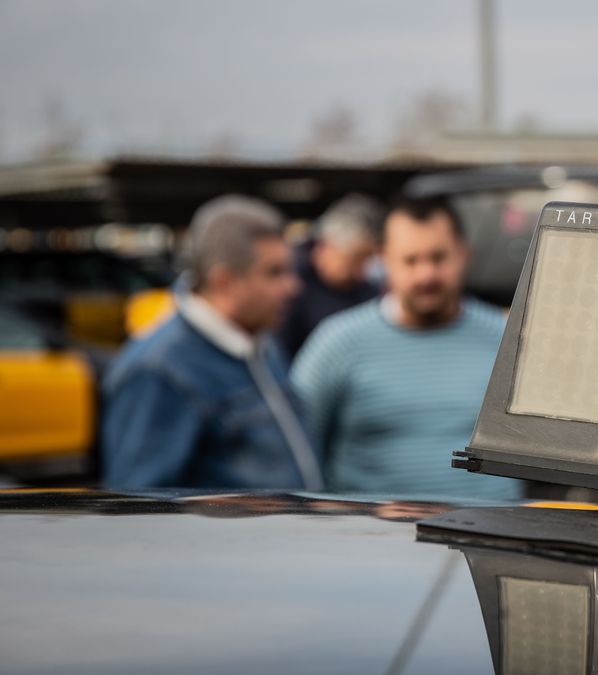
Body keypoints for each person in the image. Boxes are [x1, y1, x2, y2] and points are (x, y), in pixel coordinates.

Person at [292, 197, 520, 498]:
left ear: (464, 255)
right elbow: (295, 449)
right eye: (410, 260)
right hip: (371, 537)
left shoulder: (507, 339)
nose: (426, 275)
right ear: (383, 260)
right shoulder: (337, 342)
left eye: (438, 258)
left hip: (490, 533)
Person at [101, 195, 323, 490]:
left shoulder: (258, 342)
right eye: (274, 272)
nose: (292, 287)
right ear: (224, 282)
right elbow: (142, 513)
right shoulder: (158, 372)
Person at [276, 193, 383, 361]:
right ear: (327, 247)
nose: (364, 270)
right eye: (356, 259)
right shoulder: (291, 283)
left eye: (368, 259)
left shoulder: (369, 289)